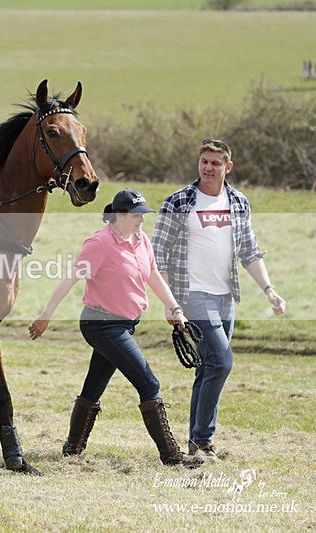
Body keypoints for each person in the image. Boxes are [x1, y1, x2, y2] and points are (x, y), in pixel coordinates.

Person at [29, 189, 204, 468]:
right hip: (101, 323)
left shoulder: (140, 240)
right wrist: (45, 315)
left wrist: (174, 307)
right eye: (136, 215)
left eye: (143, 215)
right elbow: (70, 278)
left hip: (124, 324)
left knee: (94, 385)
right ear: (119, 215)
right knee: (149, 383)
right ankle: (171, 455)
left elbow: (153, 275)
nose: (142, 220)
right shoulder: (99, 243)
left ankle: (72, 448)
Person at [152, 139, 286, 462]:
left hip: (226, 298)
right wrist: (170, 303)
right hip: (192, 296)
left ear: (228, 167)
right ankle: (204, 440)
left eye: (215, 163)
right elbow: (158, 257)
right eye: (204, 162)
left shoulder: (238, 202)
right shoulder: (179, 202)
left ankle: (194, 444)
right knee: (223, 362)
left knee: (208, 368)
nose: (208, 168)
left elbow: (249, 252)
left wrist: (269, 290)